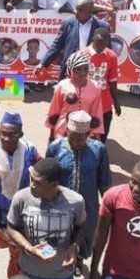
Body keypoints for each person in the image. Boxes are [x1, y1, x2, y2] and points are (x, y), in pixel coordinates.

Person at [6, 158, 86, 279]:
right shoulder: (22, 198)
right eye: (31, 178)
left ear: (54, 185)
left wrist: (74, 246)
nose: (31, 185)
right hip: (31, 274)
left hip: (62, 275)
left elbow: (82, 227)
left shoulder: (75, 201)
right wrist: (29, 247)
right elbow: (11, 227)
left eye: (37, 182)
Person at [0, 112, 42, 277]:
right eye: (3, 133)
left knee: (18, 252)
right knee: (1, 244)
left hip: (21, 215)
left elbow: (42, 169)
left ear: (21, 134)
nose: (6, 138)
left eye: (12, 134)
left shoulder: (29, 150)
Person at [46, 111, 111, 267]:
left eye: (80, 138)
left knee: (84, 235)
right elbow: (47, 175)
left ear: (88, 133)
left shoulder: (99, 150)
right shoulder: (55, 148)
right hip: (60, 204)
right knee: (59, 236)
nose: (75, 141)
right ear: (67, 131)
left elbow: (104, 182)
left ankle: (79, 260)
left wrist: (109, 209)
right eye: (72, 136)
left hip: (87, 206)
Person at [39, 0, 109, 78]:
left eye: (80, 10)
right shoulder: (68, 23)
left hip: (92, 70)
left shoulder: (102, 26)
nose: (76, 12)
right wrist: (43, 64)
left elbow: (107, 51)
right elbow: (57, 45)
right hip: (70, 68)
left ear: (90, 12)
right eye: (76, 9)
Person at [46, 51, 104, 140]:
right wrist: (51, 138)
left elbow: (97, 113)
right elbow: (54, 111)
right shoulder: (62, 86)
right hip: (62, 132)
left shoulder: (95, 87)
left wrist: (96, 137)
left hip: (85, 134)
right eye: (78, 69)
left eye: (85, 68)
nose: (82, 73)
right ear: (70, 69)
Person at [84, 28, 121, 140]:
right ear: (93, 39)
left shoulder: (112, 56)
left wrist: (116, 102)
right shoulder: (82, 55)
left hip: (104, 103)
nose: (101, 46)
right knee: (85, 133)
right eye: (98, 41)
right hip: (86, 102)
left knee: (103, 133)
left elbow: (113, 81)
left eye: (104, 43)